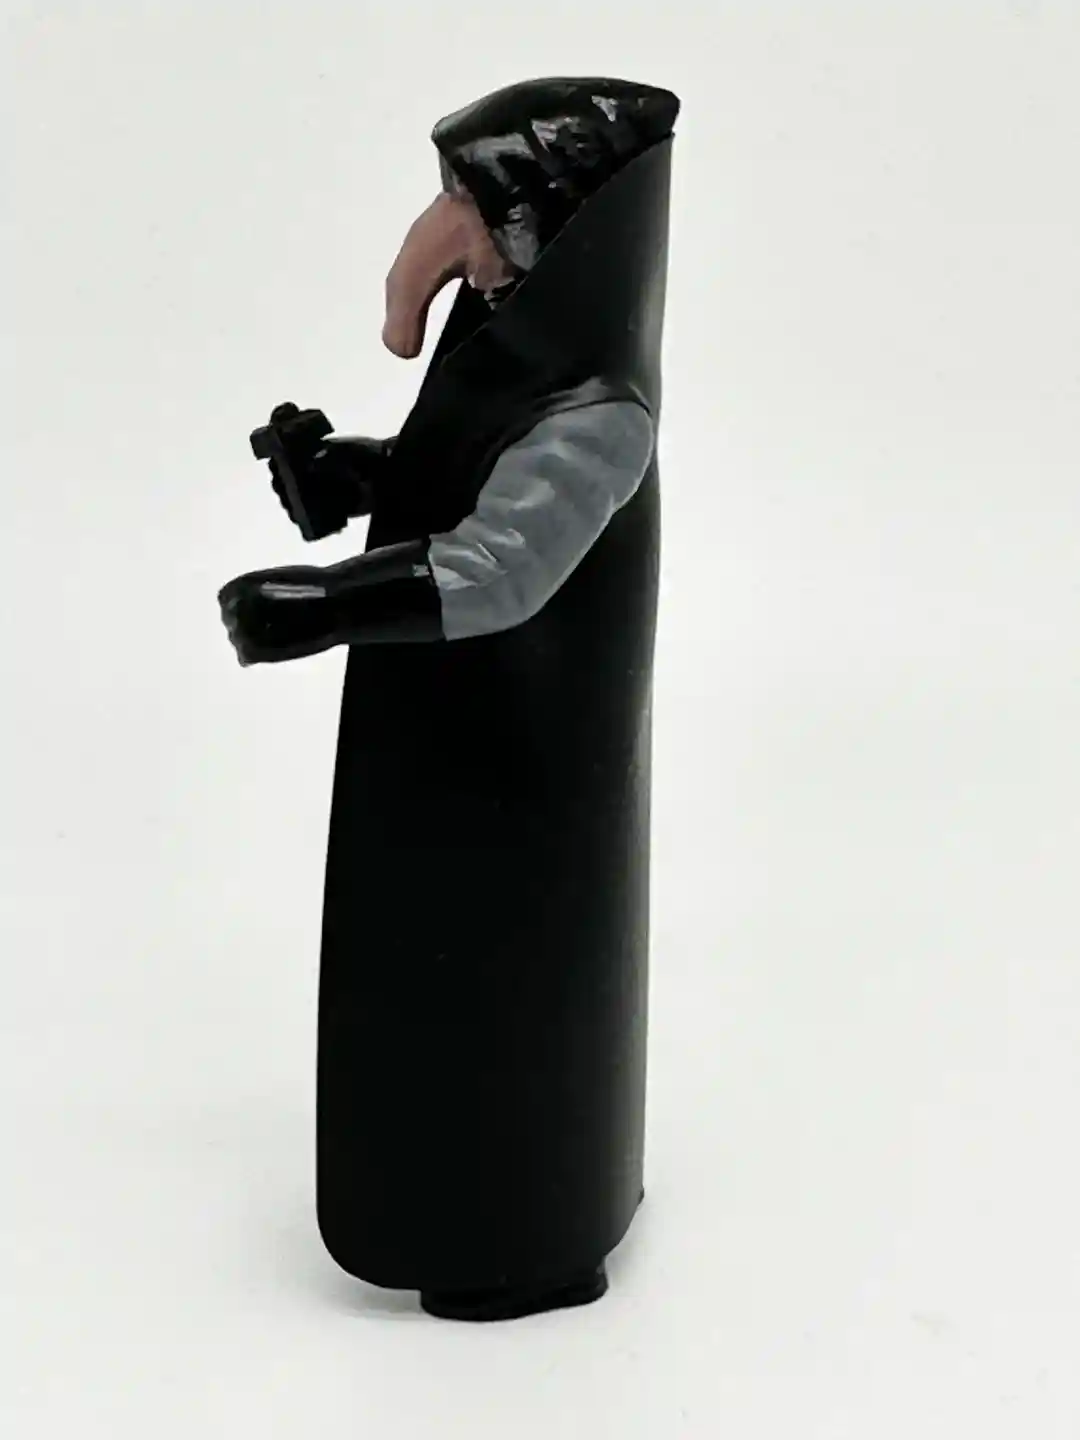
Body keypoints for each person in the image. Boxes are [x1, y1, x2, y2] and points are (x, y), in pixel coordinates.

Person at [218, 76, 680, 1322]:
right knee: (440, 987)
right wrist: (351, 474)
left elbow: (499, 565)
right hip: (460, 750)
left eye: (474, 204)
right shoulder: (525, 352)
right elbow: (465, 476)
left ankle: (525, 1235)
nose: (449, 234)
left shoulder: (599, 417)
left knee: (509, 1005)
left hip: (522, 777)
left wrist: (327, 604)